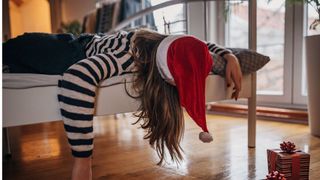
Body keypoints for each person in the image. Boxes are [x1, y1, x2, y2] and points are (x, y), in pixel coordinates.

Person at [3, 29, 242, 180]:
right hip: (62, 49)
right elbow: (76, 77)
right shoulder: (130, 57)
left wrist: (229, 55)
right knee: (10, 50)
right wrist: (83, 160)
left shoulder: (162, 41)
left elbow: (201, 45)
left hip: (83, 39)